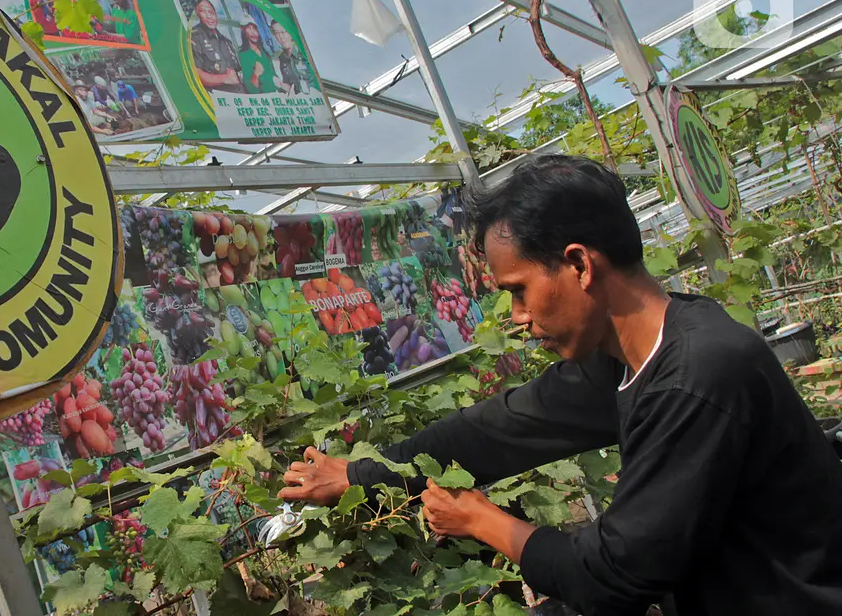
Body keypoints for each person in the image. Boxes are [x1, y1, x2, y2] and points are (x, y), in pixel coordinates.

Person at [279, 155, 842, 616]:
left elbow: (616, 575)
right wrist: (359, 474)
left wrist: (484, 521)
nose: (516, 315)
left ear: (579, 265)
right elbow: (496, 430)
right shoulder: (629, 355)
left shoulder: (696, 377)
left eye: (519, 290)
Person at [190, 0, 244, 94]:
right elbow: (195, 73)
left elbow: (237, 71)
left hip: (238, 95)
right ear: (198, 15)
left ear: (216, 15)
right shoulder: (195, 37)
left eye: (211, 12)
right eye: (203, 12)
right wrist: (224, 78)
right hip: (216, 97)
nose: (209, 16)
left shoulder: (226, 41)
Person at [238, 19, 276, 95]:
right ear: (243, 31)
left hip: (276, 95)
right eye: (249, 28)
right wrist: (256, 74)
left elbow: (274, 75)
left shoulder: (264, 52)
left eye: (254, 28)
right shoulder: (244, 55)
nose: (253, 32)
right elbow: (250, 87)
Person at [271, 20, 305, 95]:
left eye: (283, 32)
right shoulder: (279, 60)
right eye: (276, 33)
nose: (280, 36)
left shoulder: (304, 55)